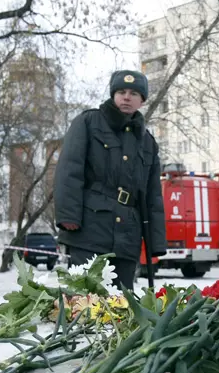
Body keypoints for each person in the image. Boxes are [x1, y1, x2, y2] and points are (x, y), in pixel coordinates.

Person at [54, 70, 166, 290]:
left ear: (142, 100)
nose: (126, 97)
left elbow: (153, 195)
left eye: (134, 93)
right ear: (113, 95)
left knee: (121, 303)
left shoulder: (147, 142)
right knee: (85, 299)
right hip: (89, 228)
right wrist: (68, 215)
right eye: (121, 92)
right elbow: (69, 169)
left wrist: (155, 242)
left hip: (128, 234)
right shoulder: (88, 122)